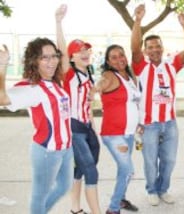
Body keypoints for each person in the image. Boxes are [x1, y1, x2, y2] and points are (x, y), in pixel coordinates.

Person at [0, 39, 73, 214]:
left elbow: (64, 58)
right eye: (44, 58)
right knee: (40, 195)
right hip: (47, 151)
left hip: (66, 148)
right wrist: (2, 66)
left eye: (54, 56)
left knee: (64, 186)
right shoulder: (31, 87)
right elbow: (2, 99)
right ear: (34, 60)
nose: (52, 61)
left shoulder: (54, 81)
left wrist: (58, 22)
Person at [131, 4, 184, 206]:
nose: (155, 49)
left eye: (158, 46)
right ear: (146, 51)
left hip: (169, 123)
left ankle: (163, 188)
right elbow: (133, 48)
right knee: (150, 161)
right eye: (150, 47)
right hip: (149, 124)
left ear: (162, 47)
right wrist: (138, 21)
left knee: (169, 160)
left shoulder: (171, 64)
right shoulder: (141, 66)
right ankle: (152, 190)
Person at [55, 5, 101, 214]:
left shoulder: (89, 76)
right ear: (72, 57)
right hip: (74, 128)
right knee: (91, 171)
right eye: (79, 51)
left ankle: (75, 208)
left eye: (86, 50)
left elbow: (88, 106)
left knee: (82, 168)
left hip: (86, 127)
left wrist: (93, 127)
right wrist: (58, 22)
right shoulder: (70, 74)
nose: (84, 53)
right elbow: (61, 50)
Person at [92, 44, 141, 214]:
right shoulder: (110, 75)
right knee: (128, 170)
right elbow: (101, 83)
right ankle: (113, 209)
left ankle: (120, 199)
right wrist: (96, 87)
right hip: (114, 135)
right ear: (108, 62)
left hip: (128, 134)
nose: (119, 59)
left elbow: (135, 103)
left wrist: (139, 124)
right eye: (113, 57)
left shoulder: (130, 77)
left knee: (123, 170)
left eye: (121, 55)